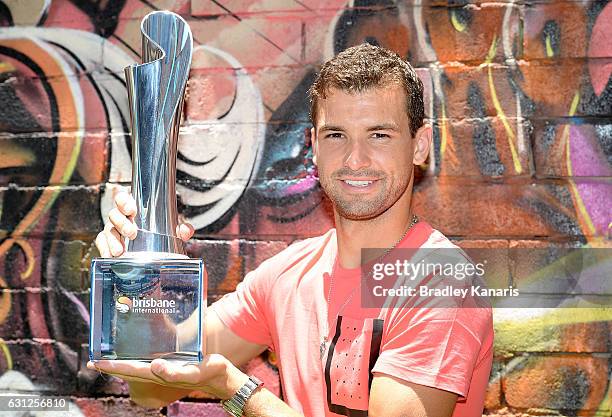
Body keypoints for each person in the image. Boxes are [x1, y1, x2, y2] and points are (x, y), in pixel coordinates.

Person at [90, 43, 494, 417]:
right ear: (314, 146)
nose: (356, 158)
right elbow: (151, 387)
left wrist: (234, 387)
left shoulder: (441, 283)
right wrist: (138, 273)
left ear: (419, 146)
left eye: (380, 135)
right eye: (337, 135)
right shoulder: (287, 275)